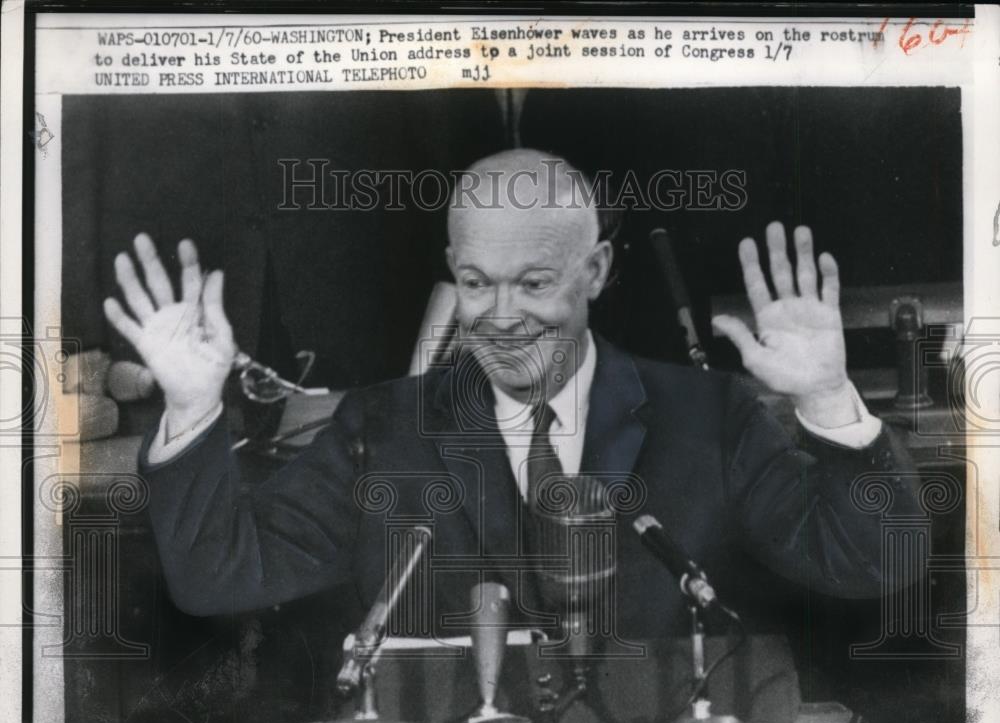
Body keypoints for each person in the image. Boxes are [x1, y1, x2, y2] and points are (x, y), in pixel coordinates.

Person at [103, 149, 917, 640]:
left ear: (595, 271)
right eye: (475, 282)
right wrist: (192, 409)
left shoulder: (709, 417)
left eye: (533, 283)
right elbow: (218, 579)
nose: (499, 317)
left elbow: (876, 565)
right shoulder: (380, 430)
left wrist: (828, 397)